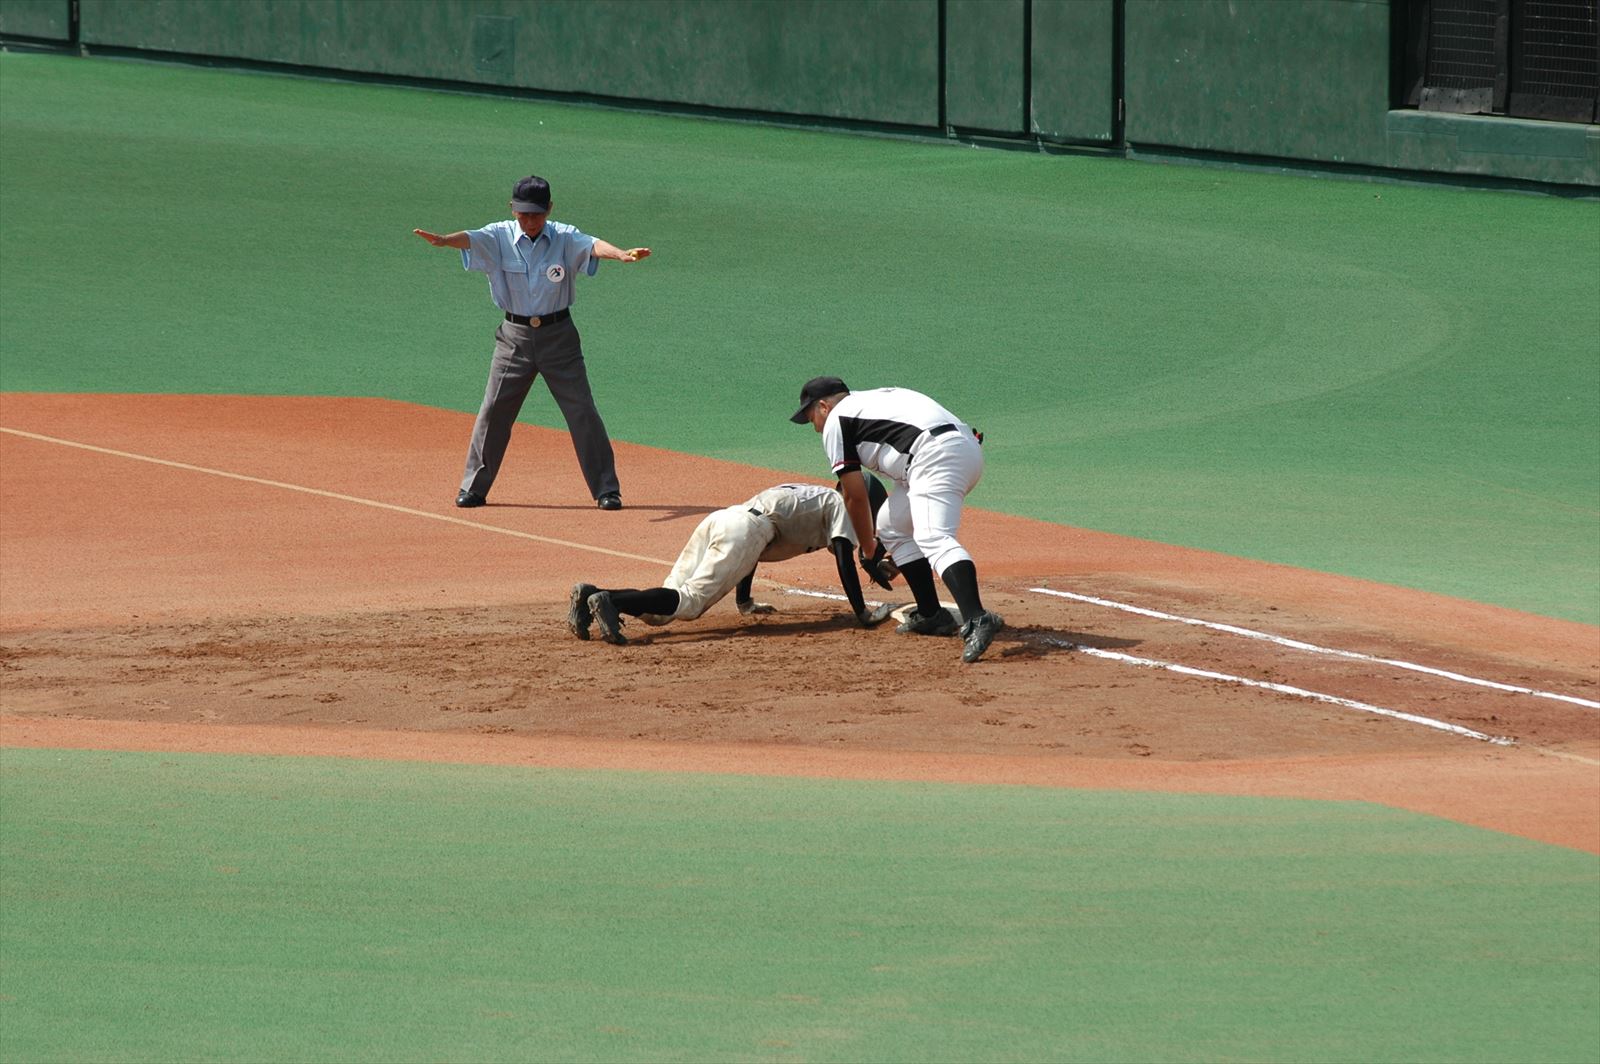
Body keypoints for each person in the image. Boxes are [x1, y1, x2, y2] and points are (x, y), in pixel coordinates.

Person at [413, 174, 650, 511]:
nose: (530, 221)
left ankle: (606, 489)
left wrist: (621, 255)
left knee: (582, 411)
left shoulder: (564, 237)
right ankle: (474, 487)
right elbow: (470, 239)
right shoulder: (498, 235)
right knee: (494, 410)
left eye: (537, 214)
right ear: (513, 209)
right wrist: (443, 240)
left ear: (549, 209)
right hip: (514, 339)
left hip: (559, 338)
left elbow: (592, 245)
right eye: (524, 214)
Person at [791, 376, 1004, 663]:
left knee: (933, 537)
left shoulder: (836, 421)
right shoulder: (873, 399)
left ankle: (977, 618)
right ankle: (931, 614)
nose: (815, 427)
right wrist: (874, 541)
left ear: (823, 406)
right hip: (960, 449)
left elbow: (854, 495)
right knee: (891, 526)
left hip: (934, 457)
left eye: (811, 417)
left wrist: (868, 550)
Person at [567, 480, 898, 645]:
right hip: (744, 530)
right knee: (689, 604)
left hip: (725, 520)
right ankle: (612, 602)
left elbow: (754, 548)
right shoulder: (840, 504)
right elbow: (843, 558)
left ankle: (593, 594)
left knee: (661, 613)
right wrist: (862, 613)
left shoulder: (817, 499)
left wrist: (744, 601)